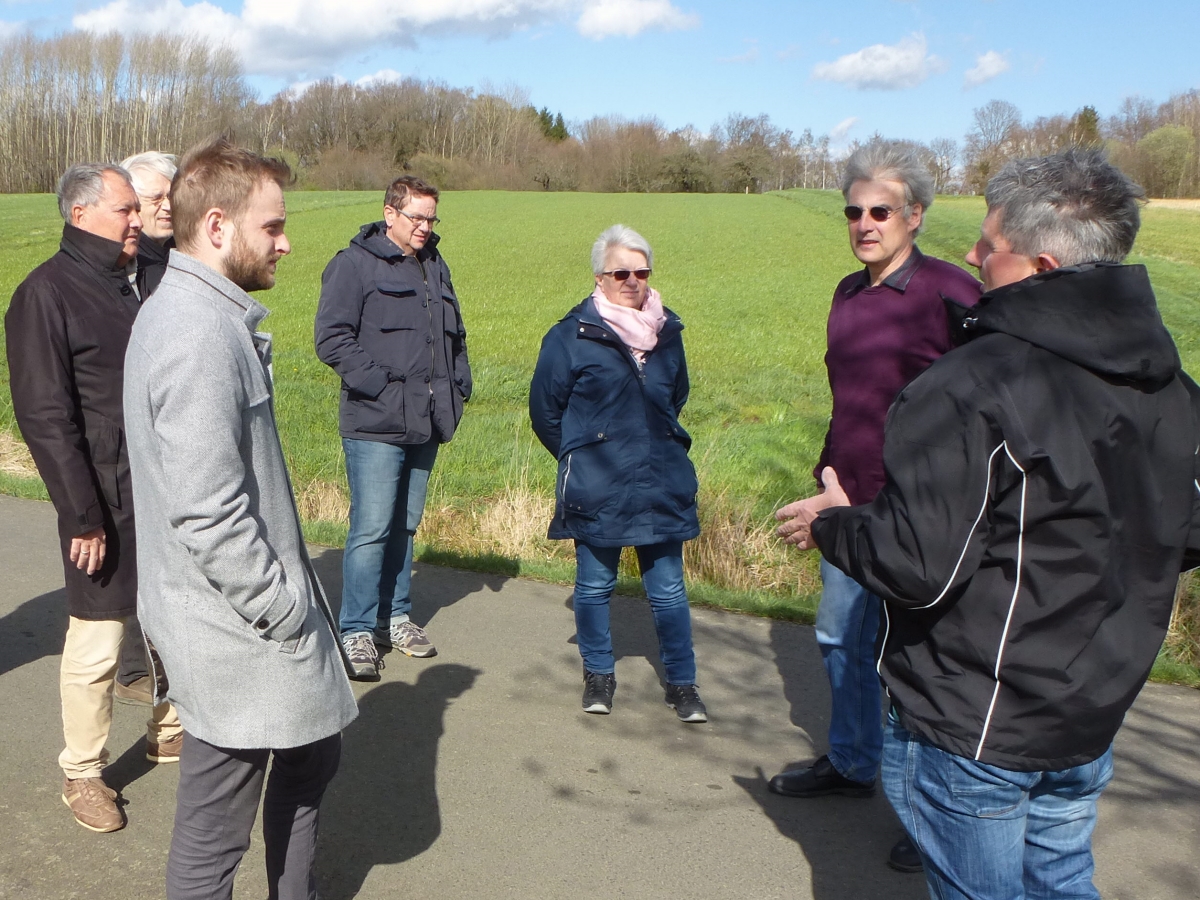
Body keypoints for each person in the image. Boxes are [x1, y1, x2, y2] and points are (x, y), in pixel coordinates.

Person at [782, 148, 1200, 900]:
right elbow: (1181, 526)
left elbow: (918, 566)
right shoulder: (1170, 383)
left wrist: (839, 526)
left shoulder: (973, 383)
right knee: (1063, 879)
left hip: (981, 716)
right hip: (1093, 702)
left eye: (989, 246)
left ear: (1040, 265)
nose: (973, 257)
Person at [123, 139, 358, 900]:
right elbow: (208, 511)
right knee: (213, 828)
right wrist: (282, 613)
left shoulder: (201, 313)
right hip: (233, 628)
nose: (287, 243)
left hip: (234, 622)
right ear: (218, 227)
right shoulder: (195, 331)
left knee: (311, 755)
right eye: (274, 227)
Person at [769, 142, 979, 870]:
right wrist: (826, 475)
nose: (864, 223)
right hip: (847, 505)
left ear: (915, 216)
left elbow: (990, 407)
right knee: (839, 642)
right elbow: (848, 399)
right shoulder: (846, 295)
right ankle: (854, 765)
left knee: (916, 663)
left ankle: (928, 811)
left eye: (880, 211)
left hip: (922, 517)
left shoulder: (954, 293)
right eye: (854, 211)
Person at [5, 163, 183, 834]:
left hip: (166, 485)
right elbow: (46, 416)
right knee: (100, 640)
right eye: (125, 210)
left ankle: (170, 732)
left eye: (140, 209)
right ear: (80, 216)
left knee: (172, 618)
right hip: (102, 495)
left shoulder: (146, 275)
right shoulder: (46, 294)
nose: (139, 219)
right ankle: (83, 773)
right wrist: (81, 513)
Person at [529, 224, 707, 723]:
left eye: (641, 271)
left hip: (661, 479)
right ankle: (599, 676)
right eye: (621, 272)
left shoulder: (668, 332)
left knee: (669, 590)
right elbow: (546, 412)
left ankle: (683, 684)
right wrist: (584, 454)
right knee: (593, 587)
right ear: (600, 278)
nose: (633, 280)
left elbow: (676, 397)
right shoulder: (570, 336)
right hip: (598, 482)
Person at [315, 175, 471, 678]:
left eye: (431, 218)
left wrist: (459, 387)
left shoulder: (434, 266)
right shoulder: (353, 265)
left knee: (405, 523)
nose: (425, 227)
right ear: (389, 213)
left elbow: (454, 337)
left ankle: (394, 617)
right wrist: (381, 385)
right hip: (375, 421)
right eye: (416, 217)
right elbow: (331, 338)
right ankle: (356, 630)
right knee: (372, 527)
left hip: (428, 420)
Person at [109, 150, 178, 707]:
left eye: (168, 196)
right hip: (121, 435)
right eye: (154, 199)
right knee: (132, 551)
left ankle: (161, 673)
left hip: (166, 428)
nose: (165, 207)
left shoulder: (173, 260)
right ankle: (136, 666)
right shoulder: (128, 266)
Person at [121, 151, 177, 297]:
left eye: (171, 196)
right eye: (156, 198)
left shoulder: (187, 250)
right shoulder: (127, 265)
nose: (168, 206)